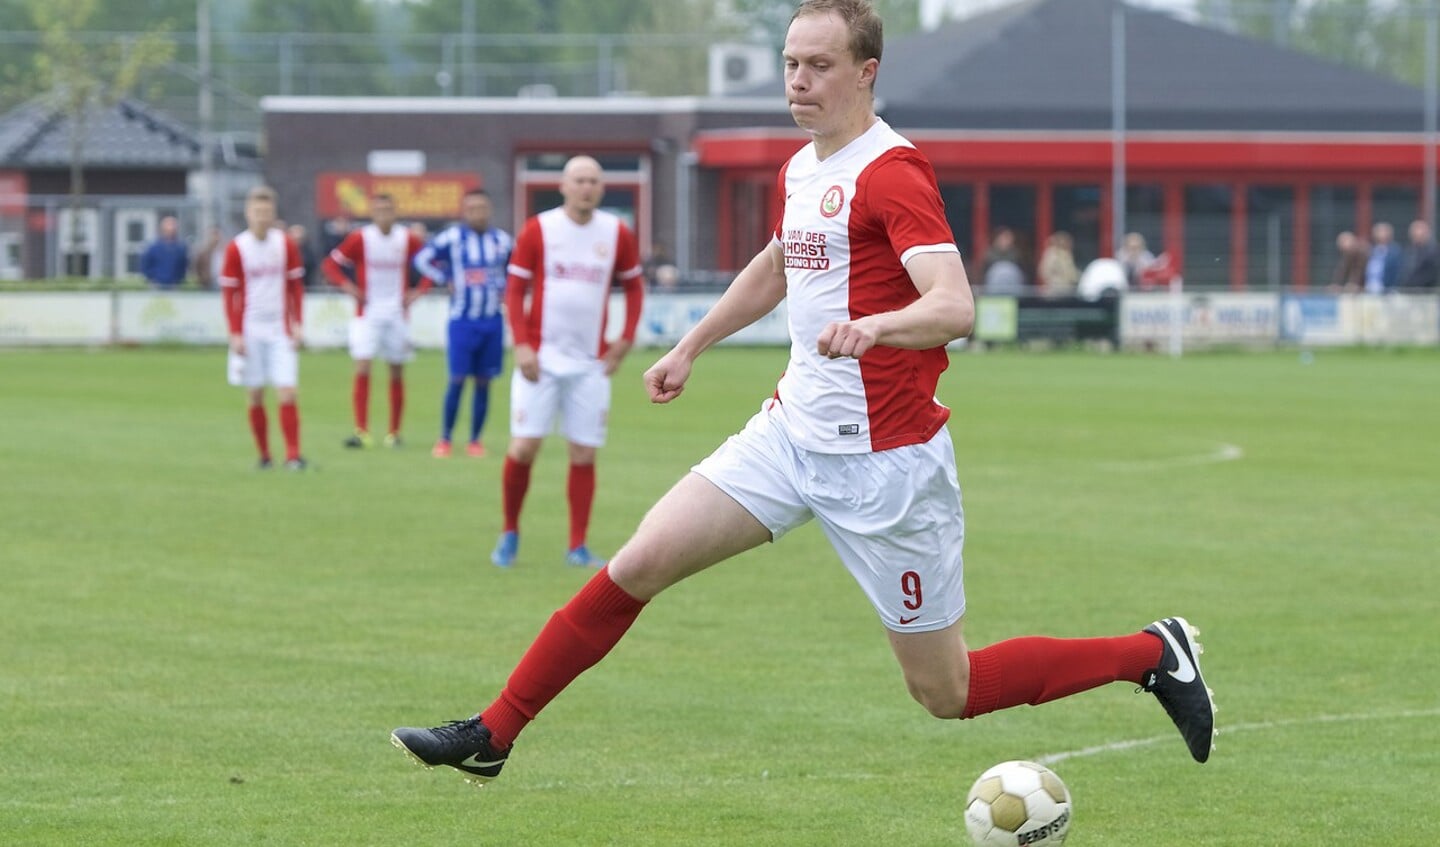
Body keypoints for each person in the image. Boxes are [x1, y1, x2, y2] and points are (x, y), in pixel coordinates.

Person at [392, 0, 1215, 788]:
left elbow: (954, 305)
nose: (798, 81)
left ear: (866, 72)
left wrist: (880, 327)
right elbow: (780, 266)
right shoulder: (802, 165)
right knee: (637, 562)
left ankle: (1149, 654)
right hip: (788, 437)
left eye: (818, 65)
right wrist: (691, 345)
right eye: (790, 63)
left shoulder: (893, 174)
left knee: (945, 691)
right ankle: (492, 732)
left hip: (888, 470)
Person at [489, 155, 646, 569]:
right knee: (523, 448)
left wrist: (625, 339)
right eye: (579, 180)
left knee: (583, 454)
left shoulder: (616, 232)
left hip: (591, 364)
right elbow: (514, 290)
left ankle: (577, 544)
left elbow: (633, 289)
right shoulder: (539, 229)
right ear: (563, 185)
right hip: (539, 360)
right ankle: (509, 533)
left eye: (594, 180)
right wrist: (521, 344)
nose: (586, 187)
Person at [321, 193, 429, 449]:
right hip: (367, 314)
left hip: (396, 314)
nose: (384, 214)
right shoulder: (360, 237)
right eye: (379, 210)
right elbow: (330, 265)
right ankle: (361, 431)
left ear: (396, 212)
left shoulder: (407, 238)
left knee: (396, 370)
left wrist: (418, 291)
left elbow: (432, 263)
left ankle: (394, 433)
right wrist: (348, 287)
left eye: (388, 209)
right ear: (372, 212)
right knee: (362, 366)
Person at [413, 189, 514, 459]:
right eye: (472, 208)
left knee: (484, 381)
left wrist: (507, 286)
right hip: (462, 321)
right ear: (464, 211)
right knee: (457, 380)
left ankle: (475, 441)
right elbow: (421, 259)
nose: (477, 213)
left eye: (482, 208)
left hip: (492, 321)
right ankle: (445, 439)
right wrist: (443, 276)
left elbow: (516, 270)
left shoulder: (502, 241)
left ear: (489, 210)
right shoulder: (452, 237)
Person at [220, 186, 307, 470]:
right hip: (250, 329)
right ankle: (264, 455)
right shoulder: (237, 247)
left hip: (280, 329)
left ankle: (293, 455)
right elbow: (229, 294)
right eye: (257, 212)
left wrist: (298, 323)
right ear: (248, 213)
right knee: (255, 393)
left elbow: (296, 287)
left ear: (273, 214)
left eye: (267, 212)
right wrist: (234, 332)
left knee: (287, 391)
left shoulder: (285, 245)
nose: (262, 217)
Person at [140, 215, 189, 289]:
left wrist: (179, 280)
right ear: (162, 229)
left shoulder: (181, 248)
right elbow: (145, 265)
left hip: (174, 285)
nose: (170, 231)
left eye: (173, 228)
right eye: (168, 229)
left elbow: (183, 266)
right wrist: (152, 279)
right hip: (156, 285)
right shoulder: (153, 247)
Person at [1037, 231, 1079, 297]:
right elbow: (1044, 272)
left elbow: (1071, 273)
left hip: (1067, 291)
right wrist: (1056, 282)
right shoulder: (1052, 254)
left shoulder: (1066, 254)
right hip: (1055, 291)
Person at [1400, 219, 1438, 290]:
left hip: (1426, 292)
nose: (1416, 236)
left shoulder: (1433, 251)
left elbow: (1431, 273)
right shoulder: (1408, 250)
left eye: (1420, 234)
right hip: (1407, 290)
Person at [1364, 221, 1401, 294]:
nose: (1380, 234)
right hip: (1370, 289)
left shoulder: (1394, 251)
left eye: (1383, 232)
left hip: (1387, 291)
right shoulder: (1372, 250)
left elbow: (1396, 272)